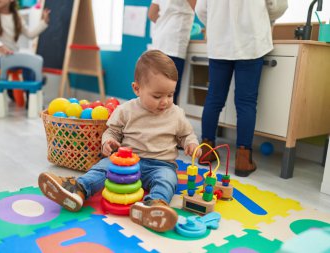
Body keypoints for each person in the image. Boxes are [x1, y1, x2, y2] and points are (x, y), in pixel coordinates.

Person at [38, 50, 202, 232]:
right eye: (157, 96)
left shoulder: (176, 114)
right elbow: (112, 132)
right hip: (126, 162)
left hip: (161, 165)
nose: (165, 101)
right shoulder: (126, 110)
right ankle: (77, 189)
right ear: (137, 89)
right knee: (102, 168)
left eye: (170, 95)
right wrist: (108, 142)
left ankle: (155, 206)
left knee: (168, 180)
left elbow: (186, 135)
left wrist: (191, 144)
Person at [195, 0, 285, 177]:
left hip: (219, 43)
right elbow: (278, 5)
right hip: (250, 42)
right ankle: (243, 159)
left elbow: (200, 10)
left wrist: (219, 24)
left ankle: (206, 150)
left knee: (214, 98)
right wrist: (259, 18)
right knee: (246, 102)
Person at [0, 0, 50, 103]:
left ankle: (31, 98)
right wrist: (0, 47)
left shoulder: (16, 15)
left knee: (28, 66)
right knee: (27, 64)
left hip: (13, 57)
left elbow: (30, 34)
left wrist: (44, 22)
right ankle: (33, 85)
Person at [148, 0, 197, 104]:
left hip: (159, 40)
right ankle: (167, 120)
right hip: (174, 42)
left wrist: (166, 22)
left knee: (155, 90)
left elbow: (152, 14)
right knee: (169, 94)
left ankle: (152, 119)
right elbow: (199, 9)